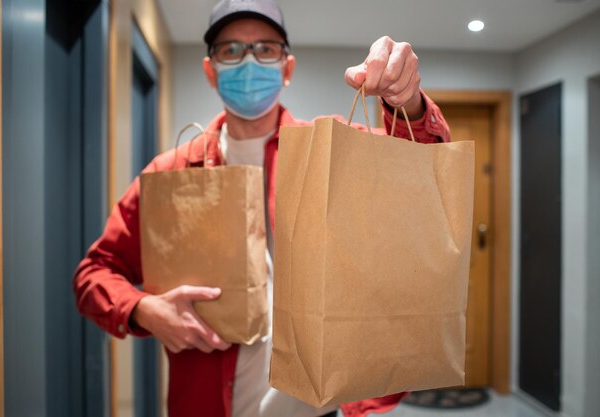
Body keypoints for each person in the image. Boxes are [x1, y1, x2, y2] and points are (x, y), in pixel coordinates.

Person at [73, 1, 451, 416]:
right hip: (207, 403)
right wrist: (143, 309)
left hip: (320, 406)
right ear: (210, 69)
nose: (249, 61)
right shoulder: (172, 173)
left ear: (287, 68)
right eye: (230, 50)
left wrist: (408, 102)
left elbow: (417, 174)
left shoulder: (331, 151)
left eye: (265, 49)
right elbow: (93, 274)